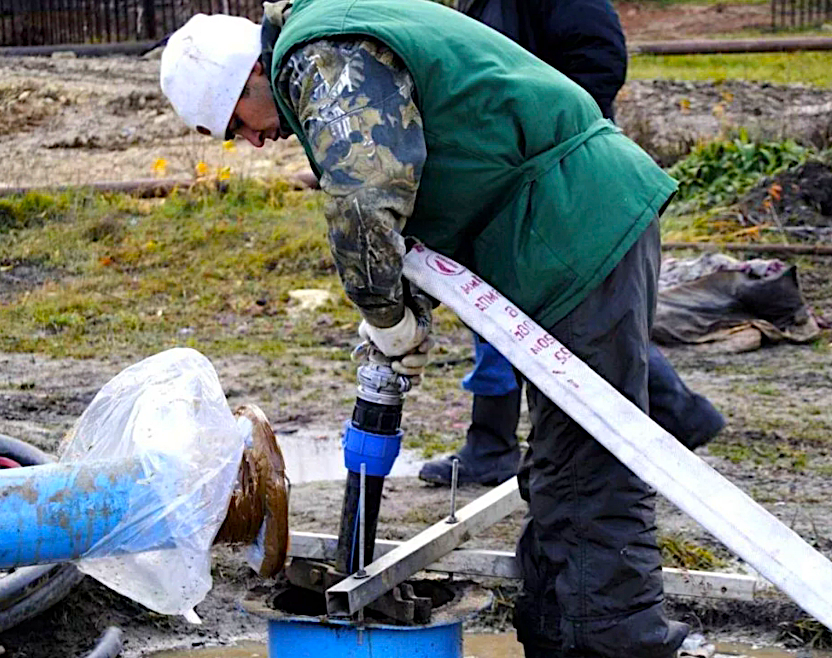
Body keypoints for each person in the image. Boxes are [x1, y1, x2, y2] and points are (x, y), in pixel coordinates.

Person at [160, 4, 690, 656]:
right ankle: (557, 637)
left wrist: (385, 314)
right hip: (560, 225)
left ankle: (617, 649)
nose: (251, 142)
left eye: (235, 125)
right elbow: (414, 181)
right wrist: (399, 307)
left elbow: (363, 196)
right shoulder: (333, 38)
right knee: (562, 468)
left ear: (246, 81)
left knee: (589, 476)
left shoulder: (317, 57)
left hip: (573, 226)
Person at [417, 0, 725, 487]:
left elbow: (600, 57)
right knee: (529, 313)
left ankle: (499, 441)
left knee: (551, 313)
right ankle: (673, 413)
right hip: (517, 173)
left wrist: (552, 131)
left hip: (555, 168)